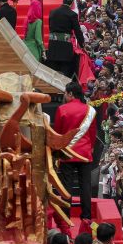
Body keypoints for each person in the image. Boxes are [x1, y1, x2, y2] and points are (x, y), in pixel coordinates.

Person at [54, 82, 97, 233]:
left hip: (67, 152)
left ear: (71, 94)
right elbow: (92, 133)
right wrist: (89, 150)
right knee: (85, 186)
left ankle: (65, 218)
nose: (64, 96)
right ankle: (86, 217)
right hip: (84, 153)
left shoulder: (62, 109)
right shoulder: (90, 110)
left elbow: (58, 133)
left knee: (66, 186)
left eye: (65, 93)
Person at [47, 0, 84, 78]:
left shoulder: (53, 12)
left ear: (63, 0)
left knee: (54, 68)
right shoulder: (72, 14)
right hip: (65, 46)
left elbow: (50, 26)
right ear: (71, 3)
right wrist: (82, 44)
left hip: (53, 45)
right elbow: (77, 31)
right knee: (65, 69)